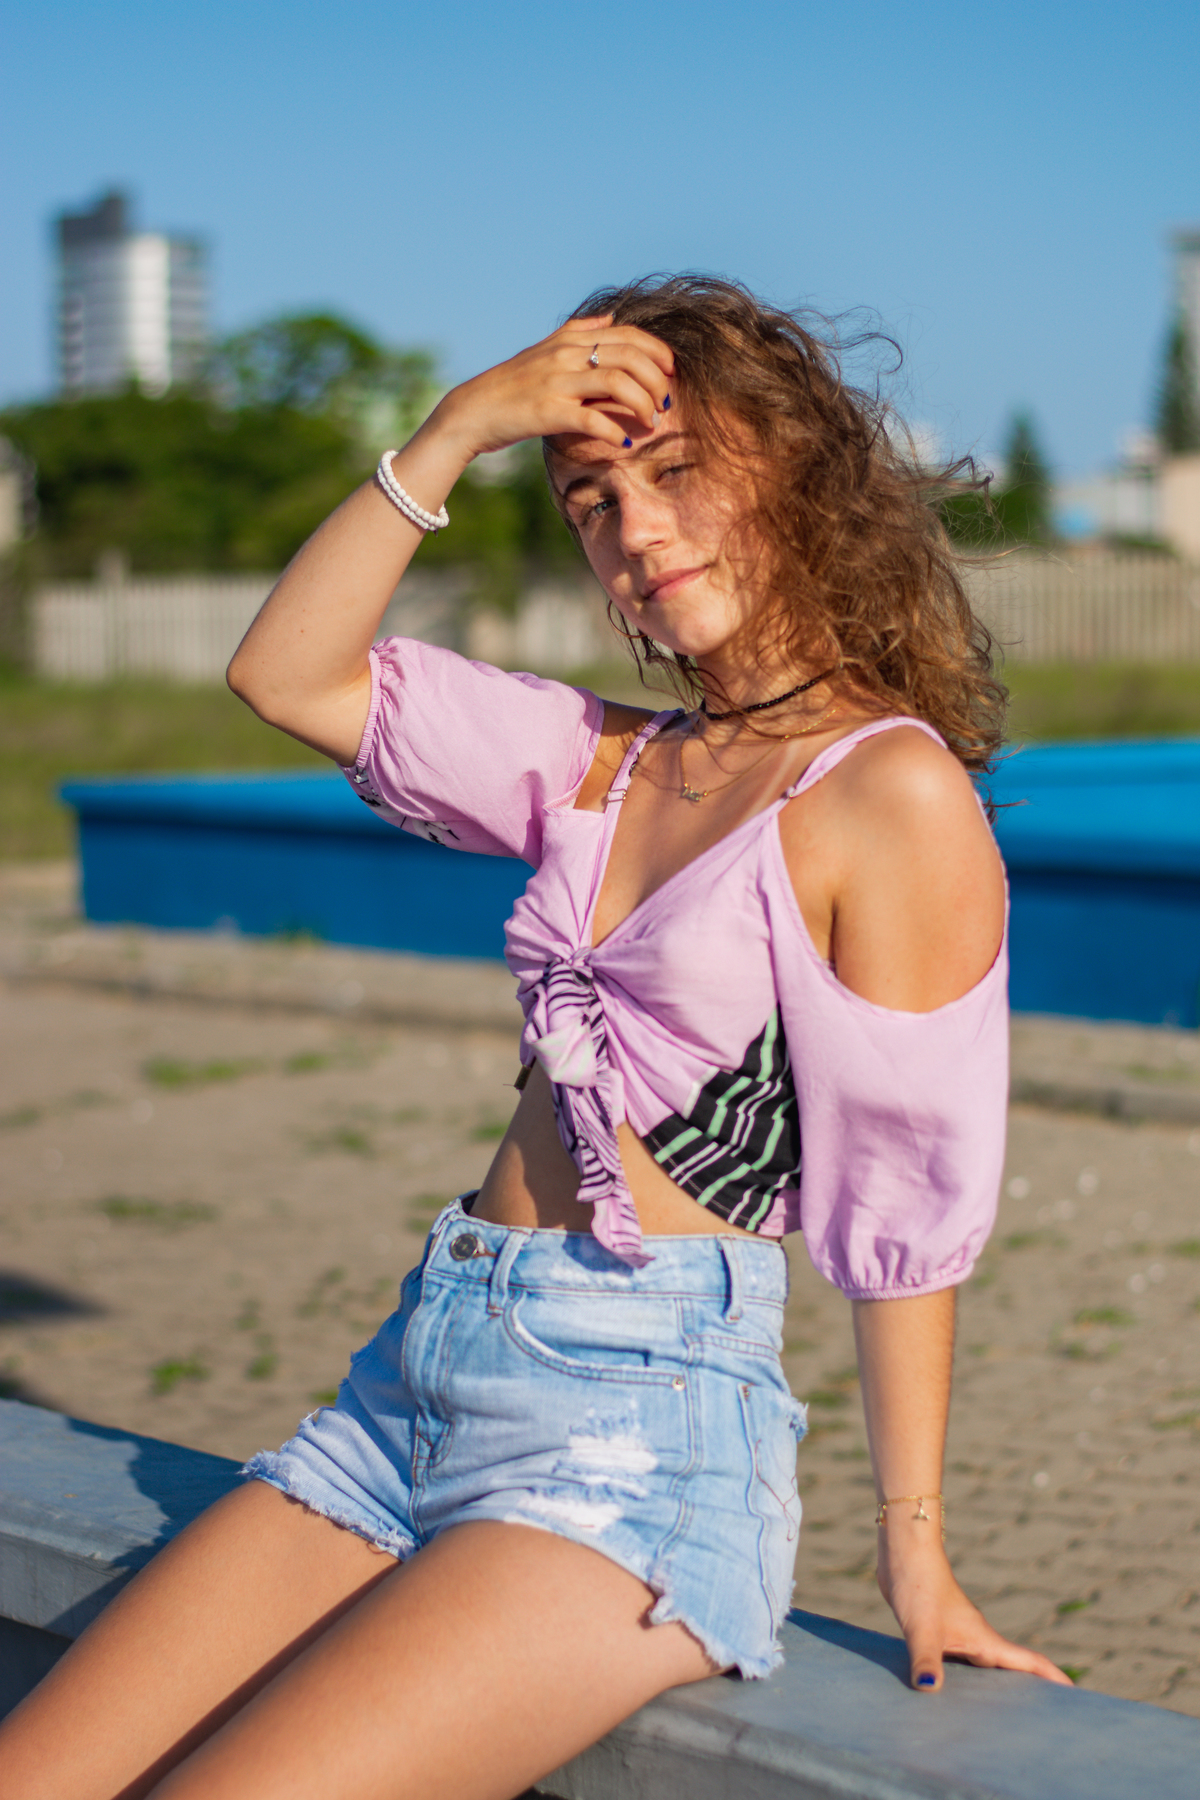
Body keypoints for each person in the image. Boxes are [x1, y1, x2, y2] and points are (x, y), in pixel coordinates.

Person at [1, 275, 1069, 1800]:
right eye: (591, 498)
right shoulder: (600, 762)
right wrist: (463, 426)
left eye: (679, 469)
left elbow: (903, 1200)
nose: (636, 530)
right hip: (414, 1377)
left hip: (633, 1437)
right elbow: (286, 673)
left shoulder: (886, 792)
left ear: (800, 472)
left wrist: (915, 1550)